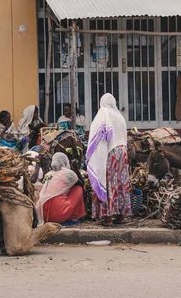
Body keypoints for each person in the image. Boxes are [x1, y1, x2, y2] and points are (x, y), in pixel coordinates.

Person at [87, 93, 132, 226]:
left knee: (106, 181)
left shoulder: (104, 112)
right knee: (121, 182)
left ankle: (107, 217)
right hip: (122, 152)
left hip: (110, 151)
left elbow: (99, 132)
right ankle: (120, 215)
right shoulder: (120, 116)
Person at [35, 153, 85, 225]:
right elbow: (82, 184)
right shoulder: (68, 173)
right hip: (58, 213)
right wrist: (76, 169)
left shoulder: (49, 174)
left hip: (44, 214)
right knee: (78, 188)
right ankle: (74, 216)